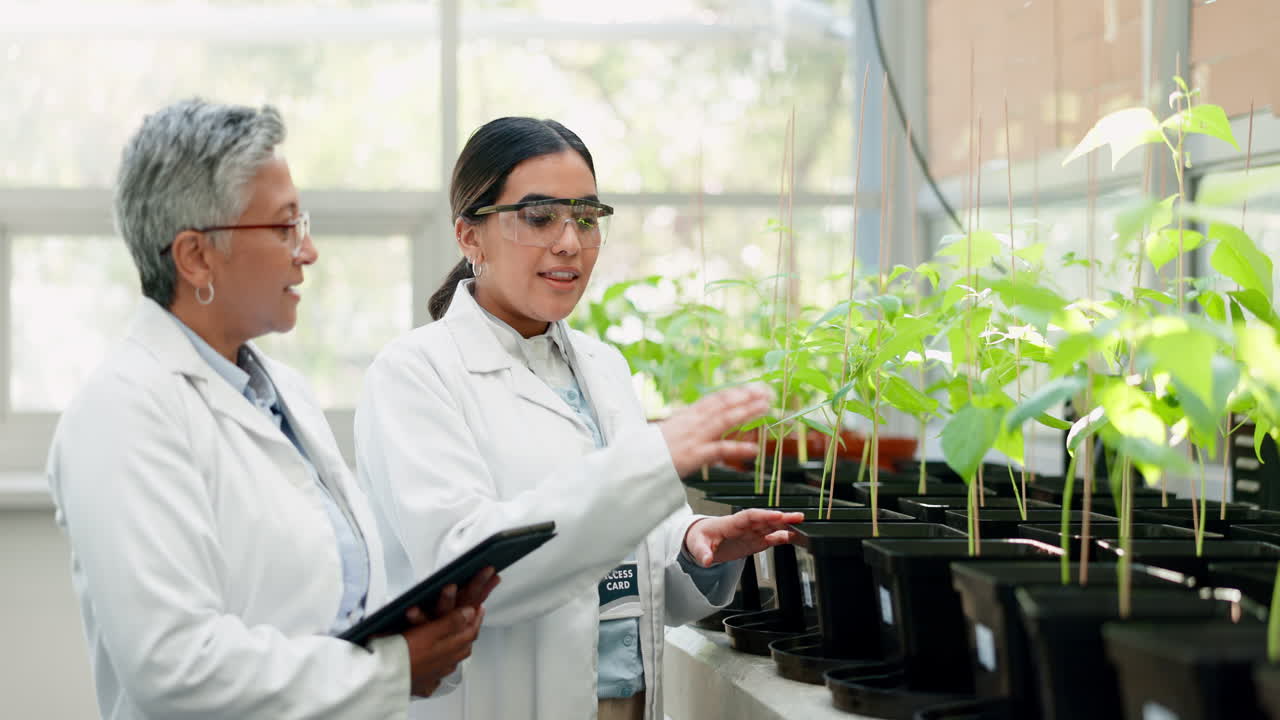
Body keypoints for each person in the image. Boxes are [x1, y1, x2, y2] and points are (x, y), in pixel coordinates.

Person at [46, 98, 495, 720]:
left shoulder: (282, 392)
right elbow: (175, 667)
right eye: (284, 227)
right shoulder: (121, 413)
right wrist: (389, 670)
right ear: (196, 256)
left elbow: (327, 607)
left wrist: (416, 632)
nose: (306, 252)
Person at [354, 116, 804, 720]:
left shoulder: (603, 367)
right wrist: (654, 461)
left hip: (625, 699)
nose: (569, 241)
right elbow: (468, 569)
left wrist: (692, 546)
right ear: (470, 236)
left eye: (587, 218)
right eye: (539, 217)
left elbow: (627, 555)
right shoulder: (415, 374)